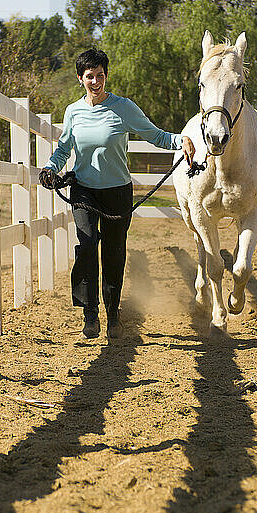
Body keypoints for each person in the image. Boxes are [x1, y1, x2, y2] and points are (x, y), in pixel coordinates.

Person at [39, 48, 195, 340]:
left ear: (106, 76)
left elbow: (156, 135)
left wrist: (182, 140)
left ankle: (113, 314)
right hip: (83, 190)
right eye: (90, 76)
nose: (95, 81)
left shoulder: (123, 108)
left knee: (113, 253)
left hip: (117, 193)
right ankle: (90, 314)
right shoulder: (74, 111)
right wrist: (50, 167)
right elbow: (63, 149)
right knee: (86, 247)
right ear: (80, 79)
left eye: (100, 75)